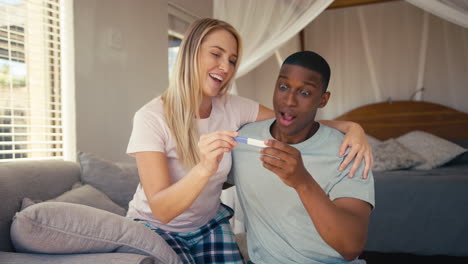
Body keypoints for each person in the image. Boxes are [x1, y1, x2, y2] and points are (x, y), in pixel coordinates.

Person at [126, 18, 372, 264]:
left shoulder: (233, 107)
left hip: (209, 225)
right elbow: (161, 210)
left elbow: (289, 117)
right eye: (216, 54)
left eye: (232, 60)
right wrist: (204, 168)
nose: (225, 67)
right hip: (158, 226)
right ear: (190, 53)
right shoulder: (151, 118)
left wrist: (351, 127)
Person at [229, 51, 375, 264]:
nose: (289, 100)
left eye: (305, 93)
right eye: (283, 87)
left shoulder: (349, 151)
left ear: (323, 100)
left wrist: (303, 182)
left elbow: (351, 246)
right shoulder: (244, 140)